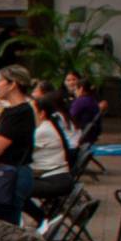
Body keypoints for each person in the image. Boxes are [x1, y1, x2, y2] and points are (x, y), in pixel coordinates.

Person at [0, 65, 36, 224]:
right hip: (10, 172)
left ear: (13, 84)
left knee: (7, 224)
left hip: (12, 174)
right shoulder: (13, 111)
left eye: (0, 81)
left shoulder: (20, 113)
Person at [23, 88, 76, 223]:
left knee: (15, 188)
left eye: (32, 112)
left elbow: (21, 149)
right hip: (54, 176)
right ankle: (41, 218)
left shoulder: (43, 130)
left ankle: (41, 219)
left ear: (42, 114)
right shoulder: (47, 125)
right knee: (15, 184)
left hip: (56, 180)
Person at [63, 72, 102, 136]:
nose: (75, 92)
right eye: (68, 80)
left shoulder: (80, 101)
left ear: (81, 89)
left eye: (76, 89)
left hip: (81, 132)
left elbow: (70, 118)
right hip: (92, 132)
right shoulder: (92, 100)